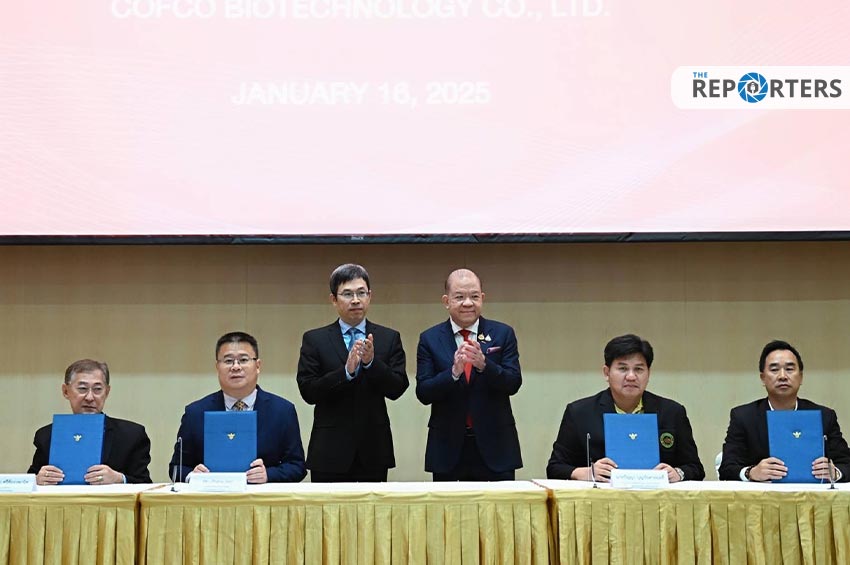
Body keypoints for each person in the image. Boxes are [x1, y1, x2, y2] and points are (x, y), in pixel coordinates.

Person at [296, 264, 408, 482]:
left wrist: (371, 363)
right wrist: (345, 372)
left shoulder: (388, 337)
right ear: (333, 299)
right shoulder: (315, 339)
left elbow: (397, 388)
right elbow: (308, 391)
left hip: (373, 450)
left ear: (370, 296)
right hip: (329, 450)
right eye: (347, 294)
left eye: (361, 293)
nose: (355, 300)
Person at [546, 334, 704, 482]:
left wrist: (678, 473)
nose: (631, 376)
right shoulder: (579, 412)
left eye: (639, 369)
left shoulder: (672, 412)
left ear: (648, 373)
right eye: (622, 369)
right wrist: (587, 472)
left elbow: (695, 468)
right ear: (606, 373)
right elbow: (555, 468)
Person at [416, 268, 522, 481]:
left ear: (482, 298)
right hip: (447, 448)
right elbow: (424, 392)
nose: (467, 303)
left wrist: (484, 365)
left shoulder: (502, 333)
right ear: (446, 301)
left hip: (496, 447)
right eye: (459, 297)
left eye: (474, 296)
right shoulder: (430, 338)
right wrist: (453, 373)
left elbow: (513, 383)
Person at [169, 331, 306, 483]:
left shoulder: (282, 411)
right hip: (213, 495)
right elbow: (176, 467)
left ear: (258, 365)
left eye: (243, 360)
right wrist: (192, 476)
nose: (235, 367)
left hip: (262, 496)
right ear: (217, 367)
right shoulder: (195, 413)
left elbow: (297, 466)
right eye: (228, 361)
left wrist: (269, 474)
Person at [719, 340, 850, 482]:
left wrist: (835, 472)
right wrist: (751, 472)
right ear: (763, 378)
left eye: (789, 369)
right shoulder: (744, 417)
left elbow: (846, 463)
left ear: (801, 377)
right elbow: (726, 468)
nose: (782, 376)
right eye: (774, 369)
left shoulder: (824, 416)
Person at [29, 359, 152, 485]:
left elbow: (145, 483)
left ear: (107, 392)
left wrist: (119, 478)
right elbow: (27, 483)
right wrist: (37, 480)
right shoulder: (46, 435)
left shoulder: (131, 435)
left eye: (97, 389)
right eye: (82, 389)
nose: (89, 397)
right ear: (66, 391)